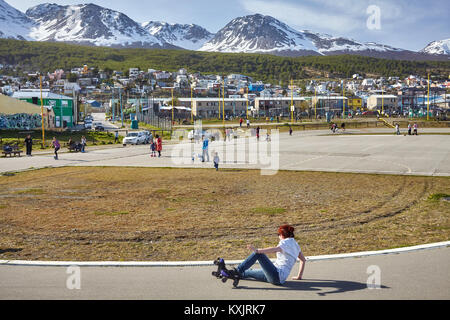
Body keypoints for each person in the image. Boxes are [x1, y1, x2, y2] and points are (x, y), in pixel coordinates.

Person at [233, 224, 306, 285]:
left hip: (276, 275)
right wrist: (299, 276)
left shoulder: (285, 242)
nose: (278, 236)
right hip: (277, 278)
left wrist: (257, 250)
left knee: (258, 254)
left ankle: (237, 271)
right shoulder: (296, 245)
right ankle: (231, 274)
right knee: (247, 272)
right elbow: (303, 260)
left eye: (278, 234)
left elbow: (274, 249)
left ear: (282, 235)